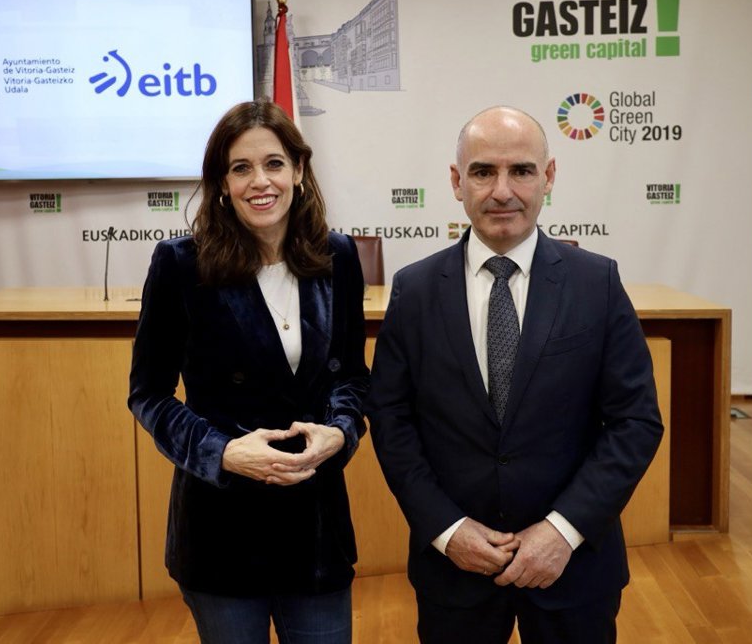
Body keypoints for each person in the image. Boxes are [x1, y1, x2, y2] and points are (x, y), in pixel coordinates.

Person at [367, 106, 663, 643]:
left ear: (548, 177)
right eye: (483, 172)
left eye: (521, 171)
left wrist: (563, 531)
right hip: (454, 571)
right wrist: (446, 529)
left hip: (572, 567)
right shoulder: (414, 291)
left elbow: (635, 422)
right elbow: (391, 421)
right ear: (456, 182)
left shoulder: (596, 283)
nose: (502, 191)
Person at [129, 99, 370, 644]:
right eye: (241, 168)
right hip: (221, 528)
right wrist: (222, 452)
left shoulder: (338, 256)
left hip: (315, 526)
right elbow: (148, 393)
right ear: (222, 183)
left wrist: (339, 432)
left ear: (299, 171)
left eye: (274, 163)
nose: (260, 181)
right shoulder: (180, 264)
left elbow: (353, 377)